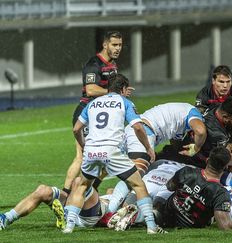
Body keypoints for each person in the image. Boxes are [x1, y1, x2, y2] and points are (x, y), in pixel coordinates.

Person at [63, 74, 163, 234]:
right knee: (138, 184)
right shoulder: (125, 102)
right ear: (123, 89)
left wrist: (83, 145)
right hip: (111, 151)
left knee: (81, 186)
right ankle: (151, 226)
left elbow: (76, 129)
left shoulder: (92, 104)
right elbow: (138, 127)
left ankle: (69, 227)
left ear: (108, 88)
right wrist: (148, 148)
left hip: (92, 151)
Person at [66, 31, 124, 195]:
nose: (118, 48)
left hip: (97, 115)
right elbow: (91, 90)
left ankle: (87, 192)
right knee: (82, 157)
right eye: (114, 44)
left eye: (120, 45)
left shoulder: (112, 64)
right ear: (105, 45)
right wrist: (112, 93)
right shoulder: (94, 64)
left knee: (103, 158)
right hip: (86, 114)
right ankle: (66, 194)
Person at [155, 146, 232, 230]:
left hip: (166, 217)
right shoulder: (221, 193)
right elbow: (225, 226)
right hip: (188, 228)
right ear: (225, 167)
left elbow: (170, 186)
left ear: (207, 160)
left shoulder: (187, 171)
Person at [157, 96, 232, 170]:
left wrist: (229, 142)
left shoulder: (216, 107)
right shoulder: (216, 134)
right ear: (225, 117)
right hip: (191, 162)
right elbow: (226, 160)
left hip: (178, 145)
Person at [0, 184, 108, 231]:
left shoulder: (121, 196)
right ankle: (6, 218)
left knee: (79, 181)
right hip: (79, 202)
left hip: (91, 215)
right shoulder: (115, 190)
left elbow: (119, 207)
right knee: (43, 190)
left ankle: (67, 215)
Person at [124, 102, 206, 160]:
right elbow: (200, 131)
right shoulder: (194, 113)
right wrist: (196, 148)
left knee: (124, 171)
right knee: (136, 179)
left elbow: (175, 142)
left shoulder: (181, 116)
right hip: (143, 134)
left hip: (132, 129)